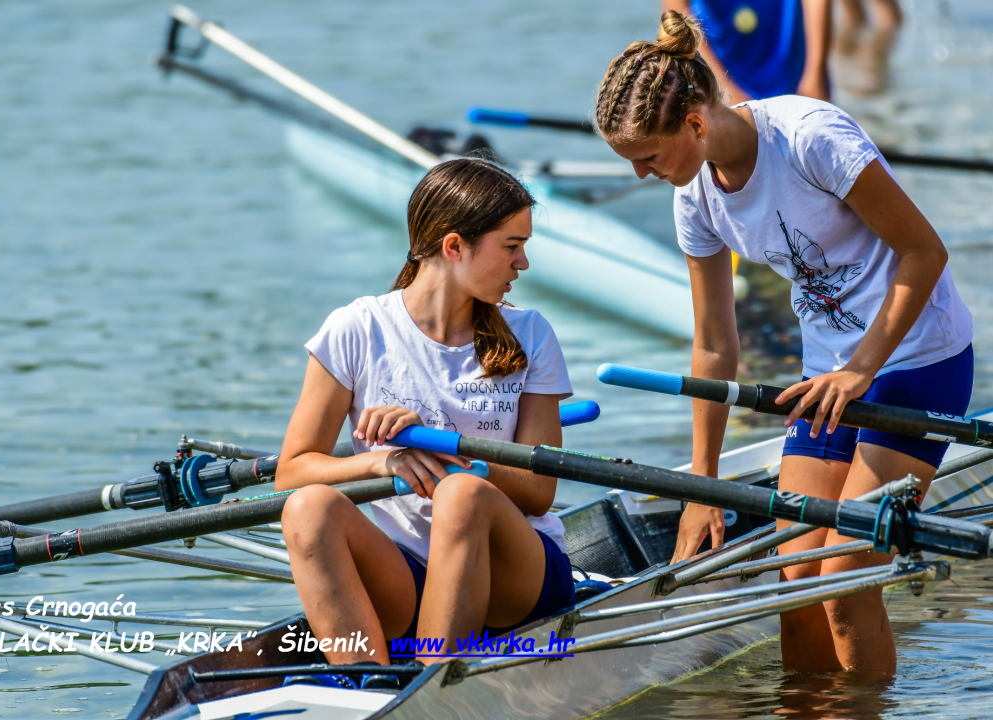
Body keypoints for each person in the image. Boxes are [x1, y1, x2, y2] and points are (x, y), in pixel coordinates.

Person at [593, 11, 972, 674]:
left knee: (843, 580)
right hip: (824, 375)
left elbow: (923, 252)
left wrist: (859, 369)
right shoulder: (694, 200)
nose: (641, 176)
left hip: (918, 359)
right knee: (795, 582)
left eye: (646, 158)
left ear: (694, 123)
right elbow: (714, 342)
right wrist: (702, 484)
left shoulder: (808, 137)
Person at [276, 158, 576, 679]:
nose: (522, 263)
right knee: (308, 509)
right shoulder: (355, 329)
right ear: (454, 246)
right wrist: (381, 464)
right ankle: (365, 686)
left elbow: (537, 490)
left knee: (460, 492)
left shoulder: (531, 334)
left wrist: (446, 448)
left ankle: (432, 687)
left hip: (518, 575)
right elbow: (292, 471)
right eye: (511, 246)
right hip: (409, 574)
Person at [664, 0, 833, 102]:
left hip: (794, 74)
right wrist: (721, 87)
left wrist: (814, 72)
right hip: (721, 70)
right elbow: (678, 15)